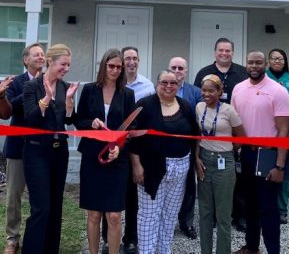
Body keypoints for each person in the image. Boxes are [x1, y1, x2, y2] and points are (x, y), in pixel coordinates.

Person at [129, 69, 198, 254]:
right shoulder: (144, 105)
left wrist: (196, 160)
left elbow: (194, 136)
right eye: (164, 82)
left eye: (173, 83)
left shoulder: (185, 106)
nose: (169, 86)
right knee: (149, 215)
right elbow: (133, 138)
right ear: (157, 84)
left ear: (178, 85)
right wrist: (136, 166)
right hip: (152, 168)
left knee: (170, 215)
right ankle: (146, 251)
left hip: (181, 167)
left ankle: (163, 250)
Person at [231, 51, 289, 254]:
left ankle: (273, 250)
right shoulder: (238, 89)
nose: (254, 66)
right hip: (246, 155)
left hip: (268, 156)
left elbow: (284, 130)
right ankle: (252, 247)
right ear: (245, 64)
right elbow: (234, 123)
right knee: (249, 205)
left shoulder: (277, 91)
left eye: (258, 62)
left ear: (265, 64)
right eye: (251, 62)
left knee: (268, 209)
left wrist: (280, 165)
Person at [76, 48, 135, 254]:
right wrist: (90, 122)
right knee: (94, 214)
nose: (116, 70)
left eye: (119, 67)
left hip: (117, 160)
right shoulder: (90, 89)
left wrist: (119, 148)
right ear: (103, 66)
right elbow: (78, 121)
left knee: (114, 216)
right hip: (93, 157)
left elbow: (130, 129)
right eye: (111, 66)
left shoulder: (127, 94)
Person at [21, 44, 79, 254]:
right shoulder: (32, 86)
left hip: (59, 152)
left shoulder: (64, 87)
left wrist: (70, 103)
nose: (66, 68)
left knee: (55, 207)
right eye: (63, 64)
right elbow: (30, 119)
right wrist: (45, 99)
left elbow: (69, 120)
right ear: (50, 62)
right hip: (37, 152)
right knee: (41, 207)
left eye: (68, 65)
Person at [101, 46, 155, 254]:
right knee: (110, 196)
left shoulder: (147, 86)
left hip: (134, 148)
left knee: (132, 197)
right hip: (111, 147)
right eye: (127, 59)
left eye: (135, 58)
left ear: (139, 61)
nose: (131, 62)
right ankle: (108, 239)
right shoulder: (112, 85)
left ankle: (131, 238)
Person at [194, 37, 248, 231]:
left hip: (234, 127)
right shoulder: (204, 72)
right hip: (210, 132)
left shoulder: (242, 73)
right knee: (210, 179)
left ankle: (239, 215)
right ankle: (215, 216)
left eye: (228, 50)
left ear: (233, 52)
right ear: (215, 52)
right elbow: (198, 100)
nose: (224, 53)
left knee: (237, 178)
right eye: (221, 50)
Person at [3, 43, 45, 254]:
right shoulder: (16, 82)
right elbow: (8, 109)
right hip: (18, 147)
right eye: (36, 54)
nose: (41, 57)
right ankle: (12, 238)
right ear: (25, 60)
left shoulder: (50, 81)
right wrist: (33, 87)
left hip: (42, 149)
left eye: (43, 54)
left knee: (40, 197)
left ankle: (37, 236)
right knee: (13, 197)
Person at [195, 74, 245, 254]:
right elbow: (197, 136)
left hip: (224, 163)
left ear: (219, 92)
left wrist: (228, 149)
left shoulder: (228, 110)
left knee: (223, 216)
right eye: (204, 90)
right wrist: (197, 158)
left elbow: (242, 137)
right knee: (205, 213)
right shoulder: (199, 107)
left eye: (211, 90)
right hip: (204, 162)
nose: (206, 94)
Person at [168, 56, 202, 239]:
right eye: (173, 67)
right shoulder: (162, 89)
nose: (177, 71)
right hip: (164, 146)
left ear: (186, 71)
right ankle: (166, 222)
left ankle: (186, 223)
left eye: (181, 68)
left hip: (187, 146)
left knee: (189, 186)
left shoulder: (195, 92)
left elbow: (199, 118)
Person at [266, 48, 289, 224]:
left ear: (285, 61)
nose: (277, 61)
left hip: (287, 130)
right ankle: (265, 207)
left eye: (280, 58)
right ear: (268, 61)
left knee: (284, 171)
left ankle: (281, 209)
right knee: (264, 169)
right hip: (265, 130)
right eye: (273, 58)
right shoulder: (262, 77)